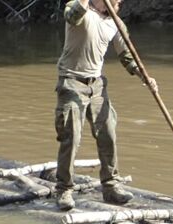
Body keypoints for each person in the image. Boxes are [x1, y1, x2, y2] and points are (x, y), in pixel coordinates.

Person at [55, 0, 158, 210]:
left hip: (97, 85)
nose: (120, 1)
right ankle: (64, 189)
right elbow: (73, 15)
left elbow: (127, 56)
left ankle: (111, 186)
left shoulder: (116, 23)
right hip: (72, 81)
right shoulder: (78, 7)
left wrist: (144, 76)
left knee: (108, 132)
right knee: (71, 136)